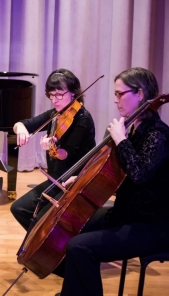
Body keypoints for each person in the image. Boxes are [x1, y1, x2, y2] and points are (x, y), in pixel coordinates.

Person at [57, 67, 169, 296]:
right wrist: (82, 180)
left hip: (152, 225)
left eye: (120, 94)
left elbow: (138, 174)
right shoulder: (135, 130)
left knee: (80, 247)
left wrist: (120, 139)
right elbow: (115, 173)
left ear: (139, 94)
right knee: (71, 224)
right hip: (126, 213)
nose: (116, 100)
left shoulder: (158, 134)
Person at [11, 69, 96, 232]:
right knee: (18, 208)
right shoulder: (56, 114)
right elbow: (23, 123)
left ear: (73, 93)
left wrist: (52, 147)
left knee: (44, 220)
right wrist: (21, 129)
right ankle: (42, 248)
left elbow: (66, 154)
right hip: (56, 179)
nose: (54, 100)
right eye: (51, 95)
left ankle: (54, 250)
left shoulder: (83, 118)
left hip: (74, 182)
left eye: (59, 95)